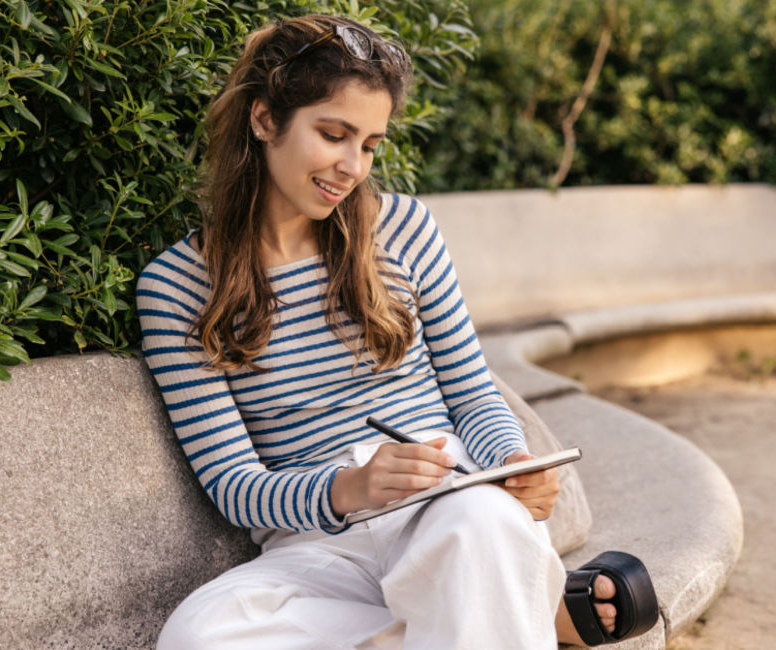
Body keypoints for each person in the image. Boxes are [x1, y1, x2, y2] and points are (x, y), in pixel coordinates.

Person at [137, 14, 621, 648]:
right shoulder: (175, 287)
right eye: (333, 134)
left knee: (480, 527)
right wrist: (349, 488)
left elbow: (473, 394)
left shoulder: (405, 229)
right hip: (318, 545)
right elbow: (234, 485)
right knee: (200, 636)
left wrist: (511, 461)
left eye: (368, 145)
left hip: (446, 507)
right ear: (263, 119)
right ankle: (523, 608)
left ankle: (490, 597)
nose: (351, 167)